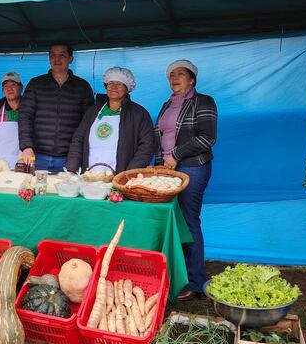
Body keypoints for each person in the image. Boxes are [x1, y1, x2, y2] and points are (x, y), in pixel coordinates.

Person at [154, 59, 217, 301]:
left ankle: (195, 282)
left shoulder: (204, 102)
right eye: (171, 75)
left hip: (193, 168)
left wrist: (176, 155)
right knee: (171, 221)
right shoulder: (166, 105)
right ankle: (174, 275)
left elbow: (208, 138)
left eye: (180, 74)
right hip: (168, 170)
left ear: (192, 79)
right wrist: (161, 164)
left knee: (189, 221)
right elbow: (159, 137)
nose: (174, 78)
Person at [18, 44, 94, 172]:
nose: (56, 59)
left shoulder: (82, 87)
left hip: (69, 158)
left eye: (62, 55)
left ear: (70, 59)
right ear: (49, 59)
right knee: (34, 190)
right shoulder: (36, 84)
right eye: (53, 55)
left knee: (66, 191)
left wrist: (77, 154)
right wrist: (26, 147)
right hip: (37, 156)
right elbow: (25, 116)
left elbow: (88, 123)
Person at [66, 67, 154, 173]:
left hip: (121, 178)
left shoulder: (139, 114)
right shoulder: (92, 112)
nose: (113, 87)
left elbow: (147, 146)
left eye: (119, 83)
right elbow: (78, 140)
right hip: (89, 177)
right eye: (110, 83)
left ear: (127, 88)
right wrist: (72, 168)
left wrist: (128, 174)